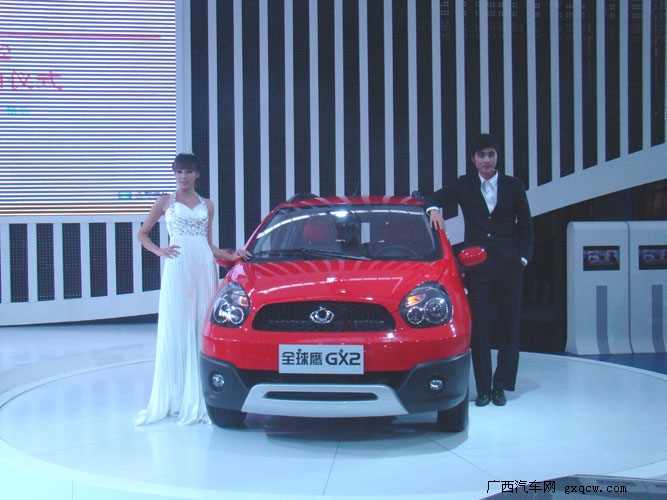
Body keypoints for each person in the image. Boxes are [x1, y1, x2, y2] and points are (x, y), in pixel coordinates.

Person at [135, 153, 251, 425]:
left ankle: (200, 394)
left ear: (197, 174)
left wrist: (231, 255)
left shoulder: (207, 204)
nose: (183, 176)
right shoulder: (165, 201)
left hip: (203, 264)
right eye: (178, 172)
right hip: (178, 265)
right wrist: (159, 250)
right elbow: (142, 233)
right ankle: (176, 396)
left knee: (200, 324)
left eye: (188, 171)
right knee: (177, 325)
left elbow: (208, 243)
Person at [424, 133, 534, 407]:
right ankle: (483, 388)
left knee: (510, 327)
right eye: (482, 155)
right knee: (480, 328)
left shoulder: (514, 186)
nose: (487, 160)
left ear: (497, 157)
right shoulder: (465, 185)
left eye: (491, 154)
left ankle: (501, 385)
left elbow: (526, 226)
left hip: (509, 266)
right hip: (478, 267)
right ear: (473, 159)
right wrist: (433, 210)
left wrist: (522, 259)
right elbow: (431, 196)